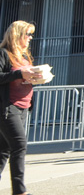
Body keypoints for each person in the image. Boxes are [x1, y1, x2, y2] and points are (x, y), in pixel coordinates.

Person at [0, 22, 42, 195]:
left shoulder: (24, 57)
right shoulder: (4, 53)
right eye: (28, 34)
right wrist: (19, 74)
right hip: (8, 107)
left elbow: (22, 79)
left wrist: (35, 78)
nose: (30, 38)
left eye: (31, 34)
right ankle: (19, 191)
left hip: (23, 107)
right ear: (17, 35)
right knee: (19, 145)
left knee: (3, 150)